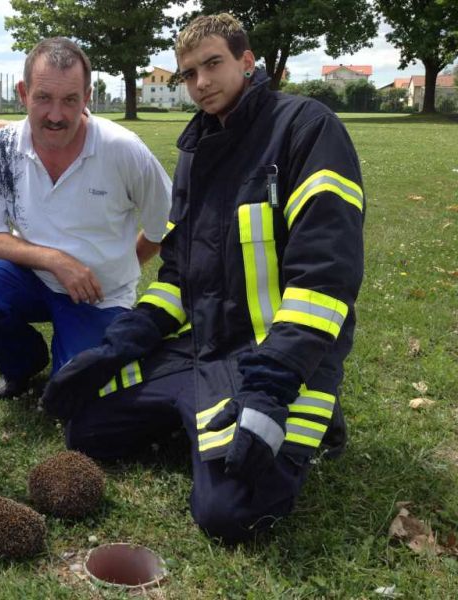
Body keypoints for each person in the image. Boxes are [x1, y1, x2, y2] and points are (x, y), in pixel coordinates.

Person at [41, 14, 365, 543]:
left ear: (246, 61)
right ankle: (203, 421)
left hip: (274, 360)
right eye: (188, 73)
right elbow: (178, 277)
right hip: (204, 348)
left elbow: (326, 278)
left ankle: (307, 416)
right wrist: (121, 344)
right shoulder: (195, 148)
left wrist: (274, 385)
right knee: (85, 428)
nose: (201, 84)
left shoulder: (306, 128)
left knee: (227, 514)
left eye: (212, 64)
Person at [0, 38, 172, 399]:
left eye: (70, 100)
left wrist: (121, 266)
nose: (56, 115)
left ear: (87, 97)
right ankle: (23, 365)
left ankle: (67, 362)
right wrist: (56, 261)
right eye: (43, 98)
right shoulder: (1, 148)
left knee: (72, 395)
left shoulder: (123, 148)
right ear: (24, 93)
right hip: (35, 280)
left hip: (99, 296)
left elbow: (166, 226)